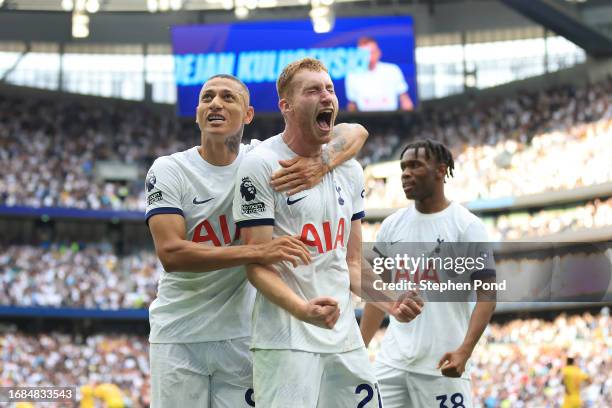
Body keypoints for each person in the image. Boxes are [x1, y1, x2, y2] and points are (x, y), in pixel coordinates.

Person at [145, 73, 370, 408]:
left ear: (248, 115)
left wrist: (321, 164)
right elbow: (171, 253)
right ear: (197, 114)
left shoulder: (262, 161)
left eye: (227, 97)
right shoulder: (169, 170)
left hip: (242, 334)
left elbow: (355, 131)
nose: (216, 103)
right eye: (207, 98)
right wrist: (257, 249)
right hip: (179, 334)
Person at [233, 57, 421, 407]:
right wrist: (303, 309)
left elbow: (351, 262)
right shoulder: (260, 165)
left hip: (343, 335)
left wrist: (391, 300)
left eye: (330, 89)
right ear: (286, 106)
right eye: (314, 90)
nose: (327, 96)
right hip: (286, 338)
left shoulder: (348, 169)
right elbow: (256, 263)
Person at [359, 139, 497, 408]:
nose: (405, 173)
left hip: (442, 366)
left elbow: (488, 296)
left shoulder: (467, 226)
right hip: (391, 364)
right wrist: (360, 348)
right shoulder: (391, 226)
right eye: (403, 167)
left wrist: (464, 351)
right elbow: (377, 294)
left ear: (440, 171)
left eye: (415, 166)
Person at [345, 36, 414, 112]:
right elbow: (352, 105)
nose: (368, 57)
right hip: (364, 121)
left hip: (392, 119)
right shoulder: (352, 75)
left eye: (371, 52)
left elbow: (405, 99)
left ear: (378, 53)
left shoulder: (392, 70)